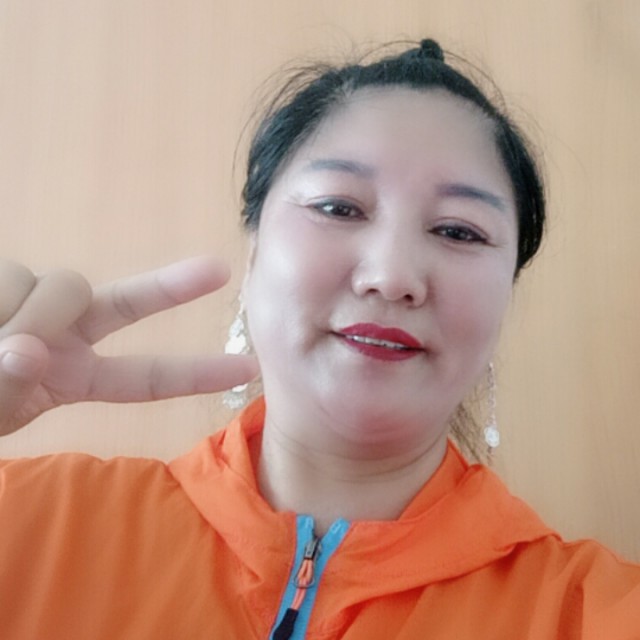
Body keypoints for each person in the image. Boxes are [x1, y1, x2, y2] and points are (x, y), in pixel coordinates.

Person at [0, 39, 638, 640]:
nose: (391, 276)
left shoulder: (592, 610)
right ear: (254, 252)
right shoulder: (29, 522)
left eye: (459, 231)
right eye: (338, 207)